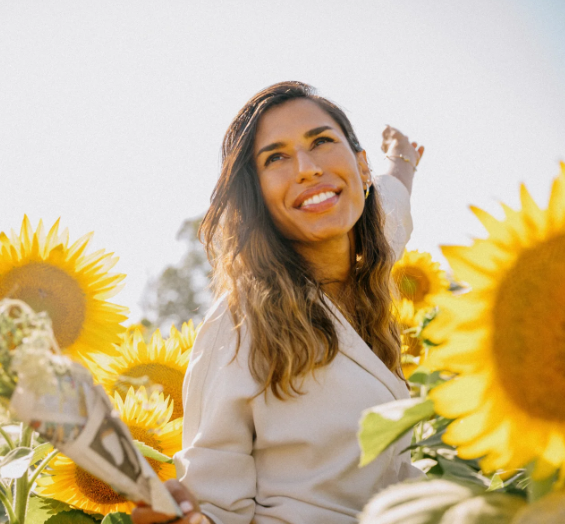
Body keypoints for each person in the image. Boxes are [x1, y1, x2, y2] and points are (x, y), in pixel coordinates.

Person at [132, 81, 425, 524]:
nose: (307, 169)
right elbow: (214, 502)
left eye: (322, 141)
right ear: (258, 199)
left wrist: (402, 160)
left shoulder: (372, 266)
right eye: (276, 157)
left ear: (362, 168)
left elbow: (393, 206)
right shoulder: (241, 324)